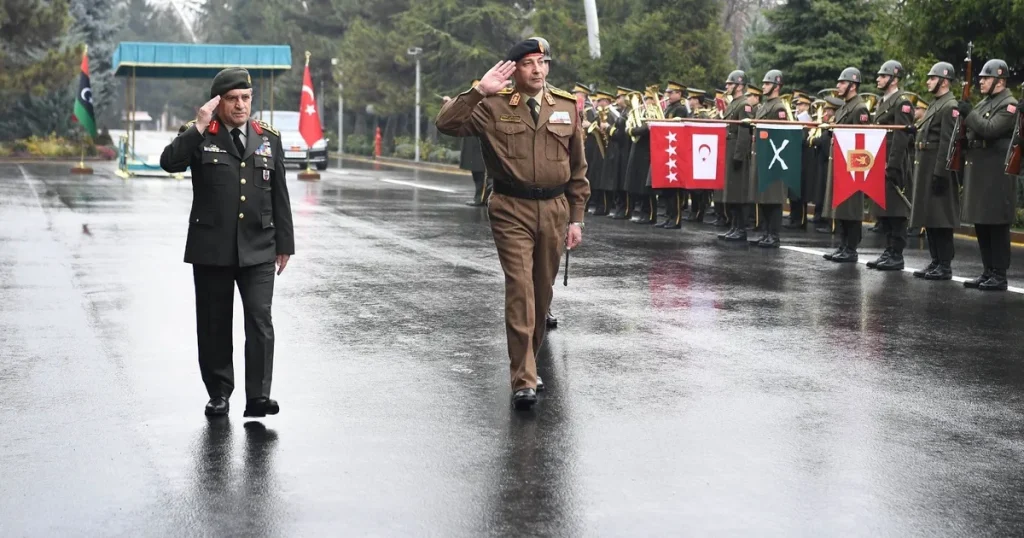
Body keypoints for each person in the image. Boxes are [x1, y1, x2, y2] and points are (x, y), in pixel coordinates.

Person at [435, 38, 589, 409]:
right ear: (514, 69)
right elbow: (447, 123)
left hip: (554, 208)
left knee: (542, 291)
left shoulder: (565, 106)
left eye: (543, 62)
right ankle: (523, 378)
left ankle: (529, 363)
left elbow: (578, 168)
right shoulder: (492, 105)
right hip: (511, 208)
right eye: (529, 63)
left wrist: (576, 218)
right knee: (521, 287)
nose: (538, 69)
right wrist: (479, 91)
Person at [159, 67, 295, 417]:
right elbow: (169, 163)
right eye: (232, 99)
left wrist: (285, 243)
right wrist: (198, 127)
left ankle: (258, 396)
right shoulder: (200, 133)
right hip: (212, 247)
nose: (240, 105)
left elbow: (279, 194)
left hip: (259, 245)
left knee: (260, 319)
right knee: (214, 323)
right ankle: (219, 393)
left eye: (245, 98)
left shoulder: (268, 138)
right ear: (217, 102)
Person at [957, 59, 1019, 291]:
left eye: (986, 78)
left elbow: (990, 129)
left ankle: (999, 274)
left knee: (997, 224)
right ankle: (987, 270)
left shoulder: (1009, 105)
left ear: (1000, 81)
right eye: (981, 77)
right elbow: (975, 130)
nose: (981, 81)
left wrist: (969, 113)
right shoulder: (986, 102)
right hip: (980, 169)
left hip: (996, 172)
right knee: (981, 222)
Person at [908, 62, 959, 280]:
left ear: (944, 81)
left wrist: (941, 172)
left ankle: (945, 264)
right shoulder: (936, 103)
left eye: (932, 78)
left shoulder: (949, 106)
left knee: (941, 217)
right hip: (926, 164)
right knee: (929, 215)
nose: (928, 81)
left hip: (937, 167)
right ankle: (936, 260)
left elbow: (948, 143)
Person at [865, 60, 914, 271]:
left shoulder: (902, 102)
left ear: (894, 79)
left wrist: (893, 165)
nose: (878, 79)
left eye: (883, 76)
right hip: (880, 159)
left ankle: (896, 254)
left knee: (896, 209)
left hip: (894, 161)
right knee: (884, 208)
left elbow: (901, 137)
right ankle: (888, 250)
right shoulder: (883, 101)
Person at [822, 67, 870, 262]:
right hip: (841, 161)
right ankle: (843, 245)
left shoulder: (860, 108)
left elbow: (862, 139)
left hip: (852, 164)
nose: (838, 86)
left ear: (853, 85)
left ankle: (851, 247)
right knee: (841, 206)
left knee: (851, 206)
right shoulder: (843, 107)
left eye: (842, 82)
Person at [747, 69, 790, 248]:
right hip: (762, 155)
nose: (763, 86)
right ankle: (766, 233)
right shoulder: (765, 106)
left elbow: (780, 134)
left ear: (776, 86)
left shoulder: (778, 108)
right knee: (763, 196)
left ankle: (773, 234)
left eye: (767, 83)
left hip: (774, 156)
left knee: (773, 198)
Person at [718, 70, 754, 242]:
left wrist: (739, 155)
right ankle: (734, 226)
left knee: (738, 192)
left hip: (737, 150)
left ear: (739, 86)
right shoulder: (733, 103)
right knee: (731, 191)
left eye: (730, 84)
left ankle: (741, 228)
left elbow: (744, 133)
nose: (727, 86)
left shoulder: (744, 105)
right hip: (729, 148)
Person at [445, 81, 490, 206]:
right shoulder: (470, 103)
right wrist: (450, 104)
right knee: (476, 173)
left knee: (483, 174)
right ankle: (479, 197)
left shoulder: (486, 103)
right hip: (472, 143)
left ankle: (482, 198)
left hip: (481, 143)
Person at [657, 81, 690, 229]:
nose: (668, 95)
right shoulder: (669, 107)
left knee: (675, 188)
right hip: (667, 150)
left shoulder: (680, 109)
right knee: (667, 187)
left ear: (679, 94)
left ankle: (676, 219)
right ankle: (669, 216)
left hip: (676, 151)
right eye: (668, 92)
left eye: (671, 93)